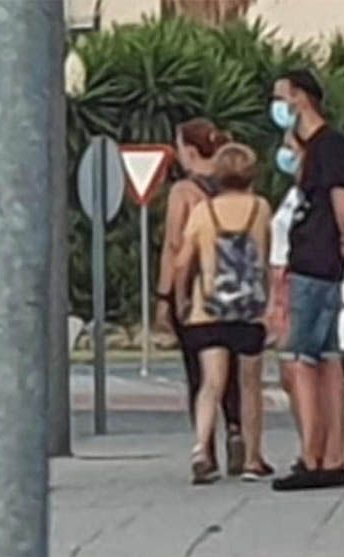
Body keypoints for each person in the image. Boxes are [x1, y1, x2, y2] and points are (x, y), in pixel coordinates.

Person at [269, 69, 344, 491]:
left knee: (300, 361)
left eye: (281, 97)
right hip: (323, 263)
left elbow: (343, 206)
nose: (277, 107)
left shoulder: (329, 147)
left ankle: (313, 456)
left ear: (301, 98)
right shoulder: (318, 148)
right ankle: (333, 456)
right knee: (328, 358)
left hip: (314, 263)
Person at [174, 143, 273, 484]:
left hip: (208, 310)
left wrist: (181, 299)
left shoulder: (203, 212)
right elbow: (266, 258)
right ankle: (252, 458)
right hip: (249, 312)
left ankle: (201, 449)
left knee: (210, 383)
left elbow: (183, 260)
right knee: (250, 386)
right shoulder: (261, 209)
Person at [155, 118, 245, 475]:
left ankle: (204, 446)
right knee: (233, 369)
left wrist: (165, 297)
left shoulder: (184, 192)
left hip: (195, 291)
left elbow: (175, 247)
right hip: (235, 288)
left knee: (200, 372)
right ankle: (237, 430)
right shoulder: (235, 187)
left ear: (189, 151)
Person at [268, 133, 305, 431]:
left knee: (297, 369)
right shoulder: (294, 193)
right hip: (283, 282)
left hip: (290, 283)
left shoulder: (306, 195)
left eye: (291, 147)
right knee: (289, 374)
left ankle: (311, 441)